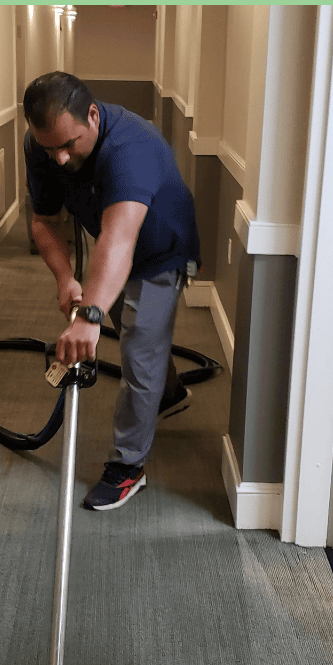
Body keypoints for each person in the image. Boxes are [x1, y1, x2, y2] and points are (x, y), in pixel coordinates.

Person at [23, 72, 201, 511]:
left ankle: (128, 468)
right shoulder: (42, 145)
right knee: (133, 327)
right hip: (113, 247)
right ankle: (171, 393)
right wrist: (65, 277)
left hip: (161, 250)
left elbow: (119, 240)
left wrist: (88, 316)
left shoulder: (131, 147)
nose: (60, 159)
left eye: (70, 144)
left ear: (93, 115)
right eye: (50, 149)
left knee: (139, 344)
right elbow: (45, 221)